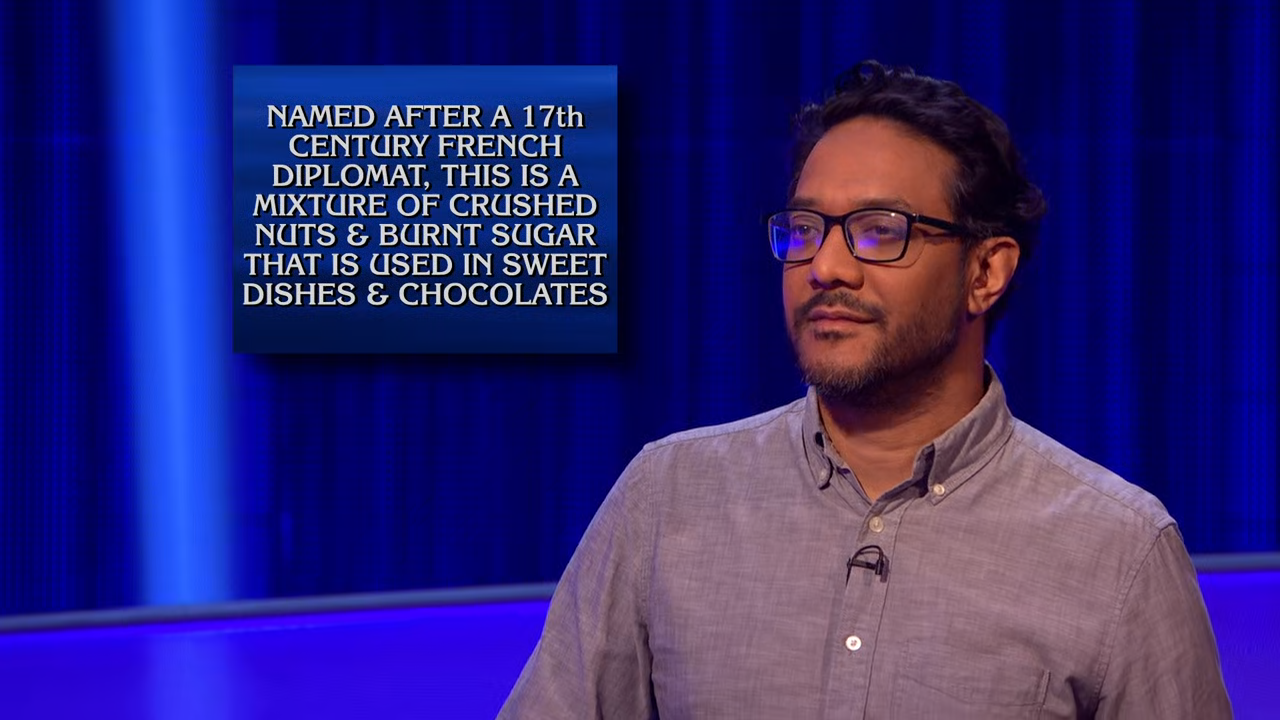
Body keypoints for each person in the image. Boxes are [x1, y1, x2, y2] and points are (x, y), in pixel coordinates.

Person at [499, 61, 1232, 719]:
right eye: (805, 228)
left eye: (880, 231)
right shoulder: (666, 498)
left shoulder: (1118, 550)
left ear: (986, 273)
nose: (825, 267)